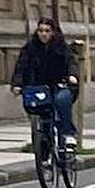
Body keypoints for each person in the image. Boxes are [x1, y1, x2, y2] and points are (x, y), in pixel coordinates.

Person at [11, 17, 80, 148]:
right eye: (41, 30)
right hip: (39, 87)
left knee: (62, 100)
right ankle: (43, 144)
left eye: (47, 31)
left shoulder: (62, 47)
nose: (44, 34)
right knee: (38, 110)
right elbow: (21, 67)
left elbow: (71, 62)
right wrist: (17, 84)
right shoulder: (30, 48)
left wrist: (72, 75)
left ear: (53, 32)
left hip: (60, 85)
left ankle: (67, 134)